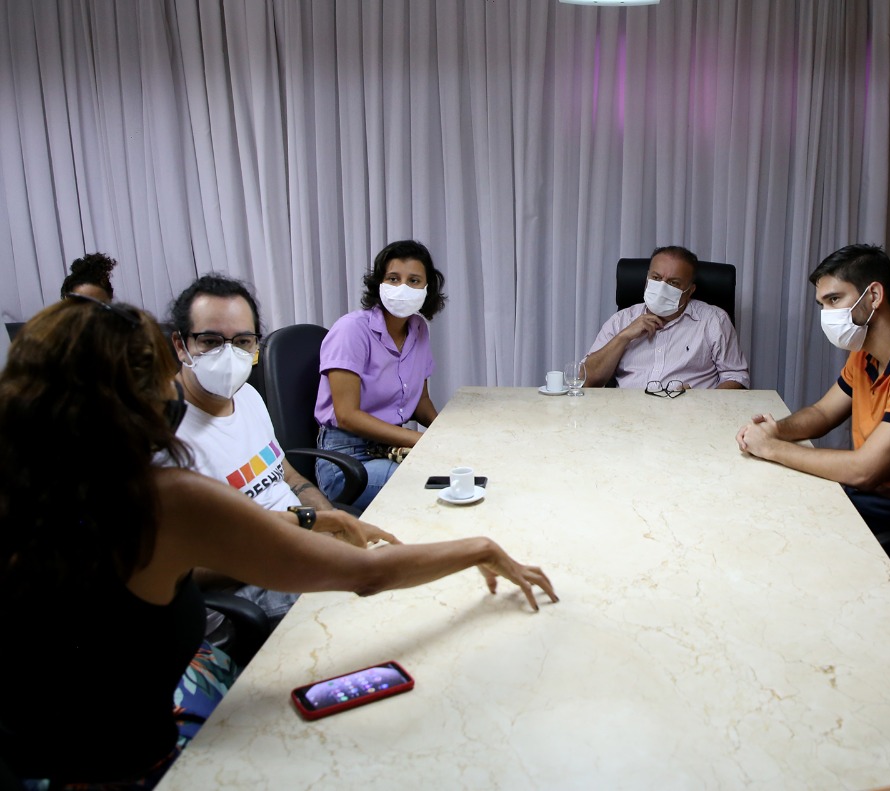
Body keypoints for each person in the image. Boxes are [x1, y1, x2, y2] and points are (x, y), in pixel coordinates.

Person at [0, 296, 556, 787]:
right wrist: (481, 548)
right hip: (131, 764)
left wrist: (315, 519)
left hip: (35, 751)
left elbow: (199, 553)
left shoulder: (29, 489)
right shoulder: (163, 498)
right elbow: (368, 575)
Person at [736, 244, 890, 594]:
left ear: (873, 296)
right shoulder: (865, 356)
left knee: (777, 555)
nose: (826, 314)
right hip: (872, 503)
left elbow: (865, 470)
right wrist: (777, 430)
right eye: (822, 305)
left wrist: (771, 448)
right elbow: (822, 413)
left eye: (834, 300)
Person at [168, 274, 363, 628]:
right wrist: (294, 543)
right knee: (373, 597)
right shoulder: (162, 435)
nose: (229, 355)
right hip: (246, 586)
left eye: (243, 341)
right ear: (181, 346)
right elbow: (179, 570)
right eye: (210, 341)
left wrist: (329, 523)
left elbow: (287, 475)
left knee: (393, 555)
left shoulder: (247, 396)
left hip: (298, 546)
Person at [315, 240, 445, 511]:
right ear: (379, 284)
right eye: (393, 279)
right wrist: (422, 441)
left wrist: (445, 433)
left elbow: (420, 402)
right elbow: (346, 415)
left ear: (427, 289)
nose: (402, 288)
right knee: (442, 487)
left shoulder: (418, 329)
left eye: (414, 281)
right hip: (347, 461)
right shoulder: (351, 330)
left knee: (466, 469)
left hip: (390, 448)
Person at [583, 246, 749, 391]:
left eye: (673, 283)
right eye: (656, 278)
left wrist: (702, 401)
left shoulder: (714, 320)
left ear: (690, 291)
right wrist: (623, 337)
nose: (662, 287)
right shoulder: (621, 320)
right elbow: (587, 380)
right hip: (629, 412)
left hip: (689, 413)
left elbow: (736, 377)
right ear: (647, 279)